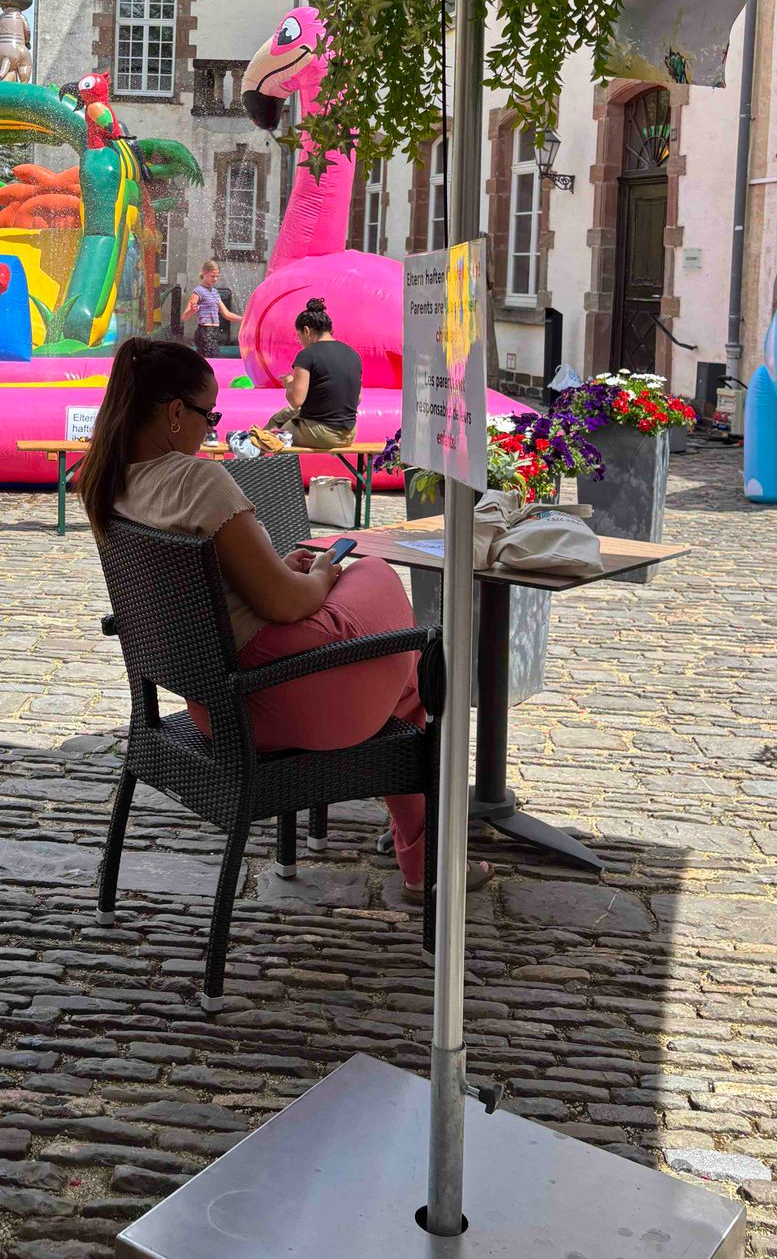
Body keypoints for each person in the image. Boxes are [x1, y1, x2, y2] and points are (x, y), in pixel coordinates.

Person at [77, 338, 490, 901]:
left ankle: (425, 857)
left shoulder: (109, 483)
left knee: (405, 681)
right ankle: (427, 863)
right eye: (208, 415)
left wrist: (275, 568)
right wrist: (321, 574)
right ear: (175, 413)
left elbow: (228, 590)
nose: (212, 428)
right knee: (375, 577)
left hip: (212, 708)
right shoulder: (197, 482)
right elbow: (286, 605)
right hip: (279, 699)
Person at [264, 297, 362, 448]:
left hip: (321, 434)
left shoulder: (307, 355)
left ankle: (253, 458)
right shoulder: (352, 354)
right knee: (283, 415)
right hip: (349, 433)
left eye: (299, 337)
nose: (300, 342)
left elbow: (296, 401)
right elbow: (358, 398)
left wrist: (289, 383)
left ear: (307, 331)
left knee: (272, 436)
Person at [190, 261, 241, 361]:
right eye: (212, 276)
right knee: (213, 360)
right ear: (204, 273)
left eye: (217, 276)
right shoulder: (198, 291)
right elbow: (185, 315)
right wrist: (191, 310)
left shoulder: (215, 293)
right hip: (205, 332)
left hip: (214, 333)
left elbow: (226, 314)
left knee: (209, 361)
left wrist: (244, 319)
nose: (215, 279)